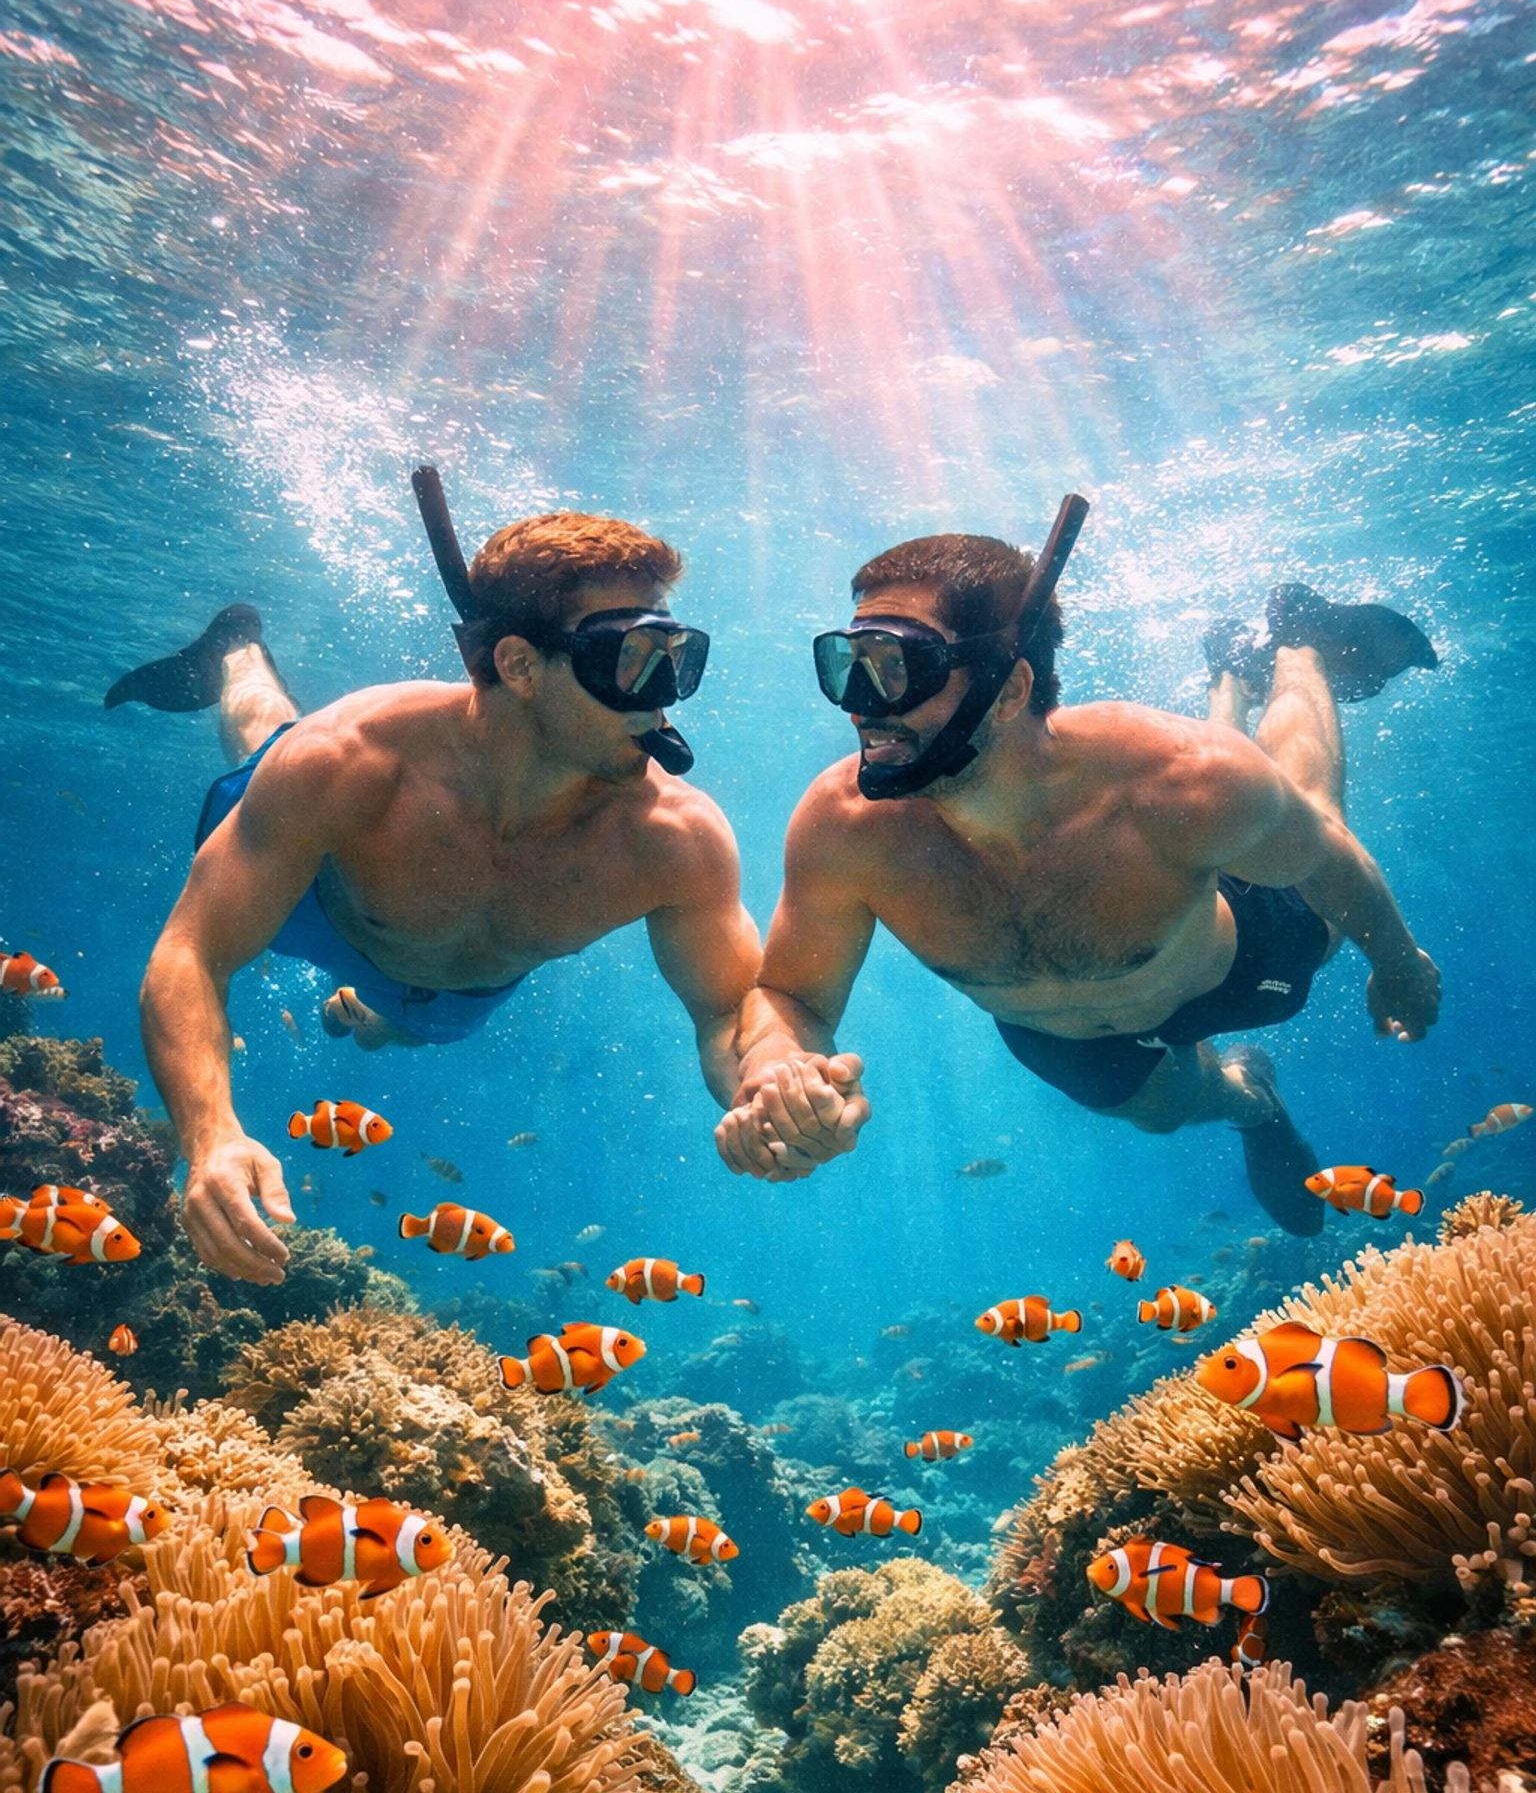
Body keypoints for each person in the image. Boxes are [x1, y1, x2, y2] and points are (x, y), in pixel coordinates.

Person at [715, 534, 1441, 1235]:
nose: (861, 703)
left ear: (1010, 692)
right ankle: (1255, 1103)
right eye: (846, 664)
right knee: (1161, 1112)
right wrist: (776, 1069)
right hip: (1062, 1035)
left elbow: (1325, 862)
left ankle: (1296, 645)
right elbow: (792, 996)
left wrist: (1399, 962)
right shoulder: (844, 827)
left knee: (1308, 815)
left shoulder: (1185, 778)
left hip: (1228, 964)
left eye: (897, 666)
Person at [121, 504, 761, 1285]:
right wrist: (211, 1135)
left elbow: (731, 1014)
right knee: (267, 733)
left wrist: (767, 1085)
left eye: (674, 656)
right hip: (320, 902)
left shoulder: (676, 838)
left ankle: (374, 1014)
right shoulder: (351, 759)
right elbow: (191, 952)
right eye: (627, 658)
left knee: (415, 1026)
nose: (663, 696)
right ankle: (239, 654)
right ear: (521, 666)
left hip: (463, 991)